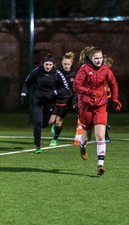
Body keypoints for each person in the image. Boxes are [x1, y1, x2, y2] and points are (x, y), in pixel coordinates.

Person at [73, 47, 122, 176]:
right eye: (96, 58)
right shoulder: (84, 69)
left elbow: (113, 83)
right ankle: (82, 146)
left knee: (100, 135)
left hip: (101, 105)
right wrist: (91, 92)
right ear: (91, 58)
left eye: (100, 58)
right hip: (86, 105)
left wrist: (115, 98)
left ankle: (100, 165)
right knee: (87, 136)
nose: (99, 60)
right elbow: (76, 86)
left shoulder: (105, 68)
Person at [20, 54, 69, 154]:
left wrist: (54, 93)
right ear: (43, 64)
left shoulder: (57, 73)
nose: (48, 66)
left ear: (53, 65)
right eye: (46, 64)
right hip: (37, 100)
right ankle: (37, 146)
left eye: (50, 64)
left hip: (50, 101)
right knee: (37, 122)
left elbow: (65, 88)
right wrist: (23, 94)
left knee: (45, 124)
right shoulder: (37, 71)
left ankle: (44, 127)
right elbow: (27, 82)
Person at [48, 51, 76, 146]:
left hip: (66, 101)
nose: (66, 66)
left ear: (71, 64)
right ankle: (54, 126)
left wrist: (74, 100)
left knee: (58, 122)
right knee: (50, 121)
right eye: (65, 64)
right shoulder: (57, 72)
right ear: (62, 63)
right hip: (56, 100)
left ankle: (55, 138)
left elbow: (76, 88)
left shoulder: (74, 74)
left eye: (68, 64)